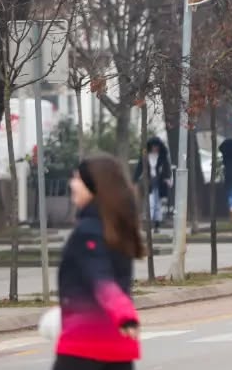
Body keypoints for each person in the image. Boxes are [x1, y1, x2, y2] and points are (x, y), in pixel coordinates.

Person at [54, 155, 145, 369]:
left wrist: (125, 315)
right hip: (118, 347)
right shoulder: (116, 229)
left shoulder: (89, 231)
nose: (72, 184)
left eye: (77, 178)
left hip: (85, 346)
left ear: (94, 187)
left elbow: (100, 278)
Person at [130, 138, 171, 231]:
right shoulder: (146, 156)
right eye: (153, 146)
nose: (155, 148)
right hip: (149, 181)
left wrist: (167, 178)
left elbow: (167, 168)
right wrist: (134, 180)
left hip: (160, 182)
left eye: (157, 146)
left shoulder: (162, 156)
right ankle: (149, 223)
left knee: (158, 203)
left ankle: (157, 224)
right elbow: (139, 167)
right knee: (151, 202)